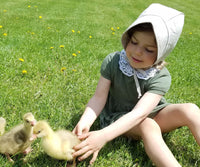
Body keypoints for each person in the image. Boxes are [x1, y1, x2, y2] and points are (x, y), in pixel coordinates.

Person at [72, 3, 200, 166]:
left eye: (149, 50)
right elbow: (98, 98)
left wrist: (102, 136)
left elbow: (140, 113)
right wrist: (86, 121)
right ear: (128, 39)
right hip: (119, 115)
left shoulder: (161, 77)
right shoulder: (113, 62)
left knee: (190, 109)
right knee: (148, 125)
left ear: (161, 53)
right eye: (134, 42)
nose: (138, 52)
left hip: (146, 112)